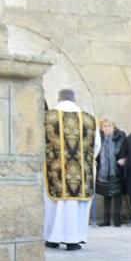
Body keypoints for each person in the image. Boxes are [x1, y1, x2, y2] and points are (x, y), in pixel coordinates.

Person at [43, 89, 98, 250]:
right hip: (81, 172)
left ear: (58, 99)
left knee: (56, 206)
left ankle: (52, 238)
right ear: (75, 100)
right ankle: (74, 240)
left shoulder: (48, 117)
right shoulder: (89, 119)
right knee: (75, 206)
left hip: (55, 170)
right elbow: (97, 146)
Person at [95, 118, 126, 227]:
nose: (107, 128)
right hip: (103, 172)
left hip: (116, 170)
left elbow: (125, 151)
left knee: (117, 196)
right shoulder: (99, 139)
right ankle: (106, 219)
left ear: (114, 127)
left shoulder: (121, 138)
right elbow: (96, 152)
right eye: (104, 126)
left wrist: (124, 159)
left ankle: (117, 219)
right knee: (106, 195)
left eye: (109, 125)